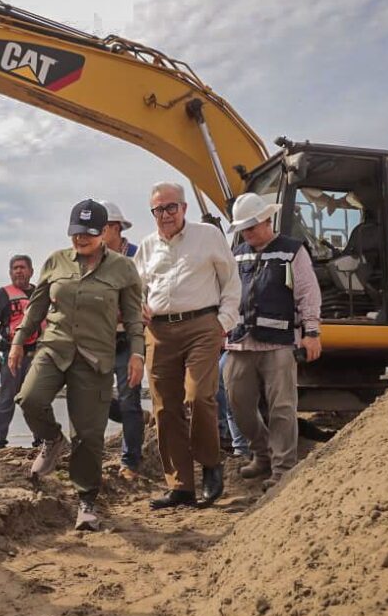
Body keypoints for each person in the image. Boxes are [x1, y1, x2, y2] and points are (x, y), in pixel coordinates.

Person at [9, 199, 144, 532]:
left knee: (87, 434)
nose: (80, 239)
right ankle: (52, 440)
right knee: (29, 398)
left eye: (88, 233)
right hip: (54, 348)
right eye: (75, 233)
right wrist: (17, 342)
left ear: (104, 232)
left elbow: (134, 317)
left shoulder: (123, 268)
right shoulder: (55, 261)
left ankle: (86, 502)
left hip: (95, 357)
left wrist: (138, 354)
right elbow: (36, 307)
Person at [134, 182, 240, 509]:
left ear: (184, 208)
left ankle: (210, 466)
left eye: (170, 207)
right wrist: (137, 306)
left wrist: (222, 323)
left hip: (201, 326)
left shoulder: (208, 236)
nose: (164, 215)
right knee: (165, 408)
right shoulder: (147, 246)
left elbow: (231, 281)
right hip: (160, 332)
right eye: (158, 210)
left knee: (198, 396)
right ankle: (180, 485)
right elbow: (134, 288)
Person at [223, 192, 322, 491]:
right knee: (237, 402)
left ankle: (282, 470)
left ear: (267, 220)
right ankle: (262, 453)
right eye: (243, 228)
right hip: (240, 342)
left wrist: (312, 332)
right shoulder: (237, 253)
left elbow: (308, 292)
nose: (247, 233)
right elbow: (225, 292)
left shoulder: (292, 251)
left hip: (279, 342)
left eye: (252, 227)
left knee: (281, 408)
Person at [99, 200, 144, 480]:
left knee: (129, 400)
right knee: (96, 398)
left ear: (116, 227)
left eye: (101, 228)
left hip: (129, 338)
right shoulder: (91, 258)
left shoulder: (137, 256)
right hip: (100, 340)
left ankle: (130, 462)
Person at [0, 254, 40, 449]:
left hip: (36, 354)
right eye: (15, 268)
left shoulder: (39, 294)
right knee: (7, 398)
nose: (19, 271)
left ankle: (41, 439)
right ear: (10, 273)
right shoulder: (2, 295)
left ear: (31, 271)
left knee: (35, 398)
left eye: (22, 267)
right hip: (11, 354)